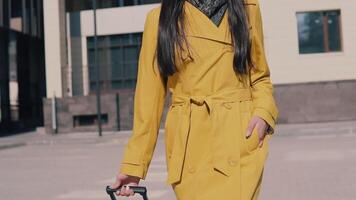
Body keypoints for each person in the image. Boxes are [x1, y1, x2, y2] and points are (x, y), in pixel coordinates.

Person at [110, 0, 279, 199]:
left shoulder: (246, 7)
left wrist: (263, 114)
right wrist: (134, 165)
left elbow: (259, 76)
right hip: (191, 145)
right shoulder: (159, 19)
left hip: (238, 138)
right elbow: (148, 100)